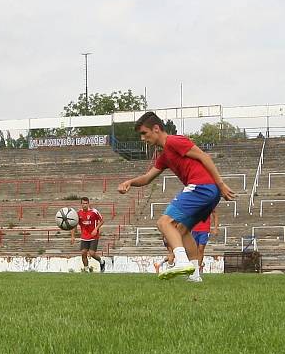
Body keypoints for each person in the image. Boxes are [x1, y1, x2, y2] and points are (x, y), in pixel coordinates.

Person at [118, 112, 235, 280]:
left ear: (156, 128)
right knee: (182, 229)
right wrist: (130, 182)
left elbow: (204, 156)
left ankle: (181, 262)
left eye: (144, 133)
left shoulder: (174, 141)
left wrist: (221, 184)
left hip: (202, 187)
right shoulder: (164, 155)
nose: (143, 138)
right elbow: (147, 178)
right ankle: (195, 276)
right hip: (208, 191)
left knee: (164, 222)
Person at [70, 197, 106, 272]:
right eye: (83, 203)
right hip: (84, 236)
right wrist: (73, 236)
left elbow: (102, 220)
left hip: (93, 236)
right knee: (83, 253)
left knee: (92, 253)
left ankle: (102, 262)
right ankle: (86, 270)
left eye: (86, 203)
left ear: (88, 204)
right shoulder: (78, 213)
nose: (85, 205)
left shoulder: (94, 211)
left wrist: (96, 229)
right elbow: (74, 225)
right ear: (81, 204)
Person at [188, 209, 218, 283]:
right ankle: (193, 270)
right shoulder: (195, 202)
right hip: (194, 229)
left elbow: (215, 214)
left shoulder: (209, 202)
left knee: (201, 249)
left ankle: (197, 271)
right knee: (193, 250)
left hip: (204, 229)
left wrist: (215, 228)